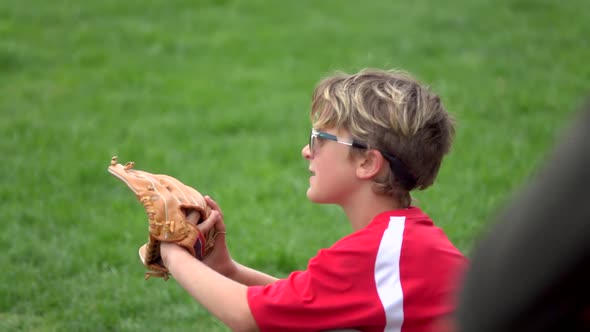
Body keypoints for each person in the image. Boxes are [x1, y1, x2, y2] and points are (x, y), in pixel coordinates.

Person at [160, 69, 468, 332]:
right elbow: (301, 306)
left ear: (367, 163)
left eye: (320, 139)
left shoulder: (377, 255)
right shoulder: (401, 241)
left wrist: (173, 252)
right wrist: (227, 270)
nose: (307, 151)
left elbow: (246, 316)